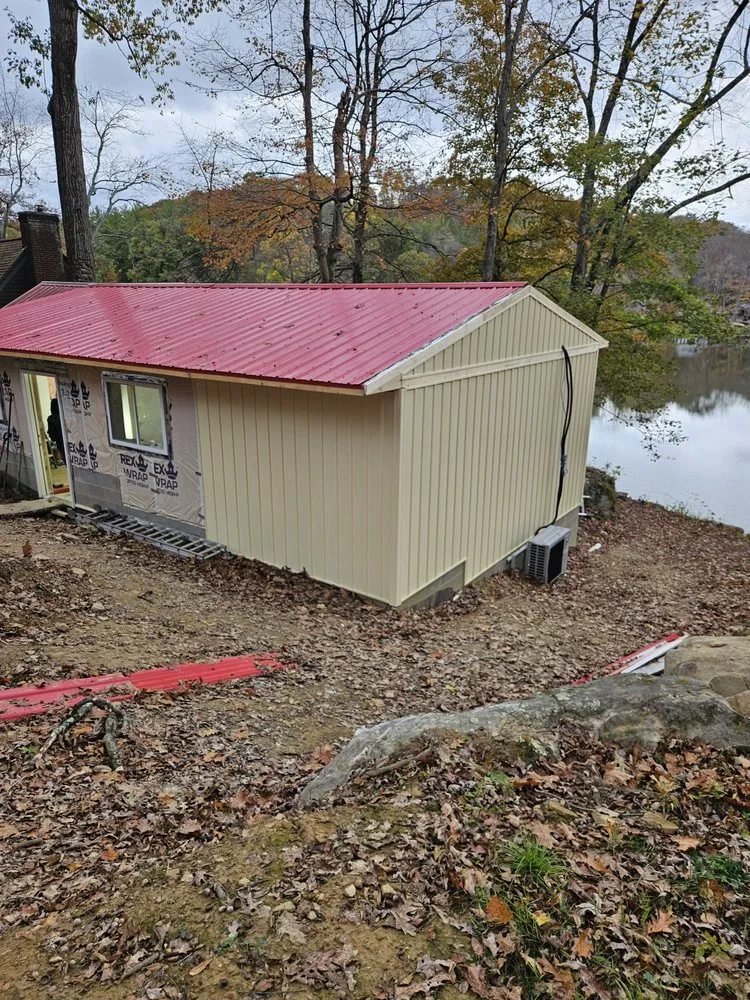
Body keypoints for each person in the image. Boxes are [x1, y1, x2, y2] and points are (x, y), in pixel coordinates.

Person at [47, 397, 65, 464]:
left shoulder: (51, 419)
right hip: (68, 442)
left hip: (60, 443)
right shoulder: (64, 416)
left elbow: (52, 436)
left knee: (66, 460)